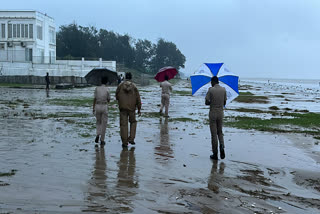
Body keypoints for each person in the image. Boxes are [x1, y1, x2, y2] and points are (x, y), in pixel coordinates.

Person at [116, 72, 141, 148]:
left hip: (123, 108)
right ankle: (131, 138)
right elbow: (138, 98)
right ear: (131, 77)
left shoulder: (120, 85)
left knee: (123, 125)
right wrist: (139, 108)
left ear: (125, 77)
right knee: (133, 122)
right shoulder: (134, 86)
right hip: (132, 108)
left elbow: (116, 96)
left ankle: (124, 142)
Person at [205, 76, 227, 160]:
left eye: (211, 82)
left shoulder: (211, 90)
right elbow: (224, 102)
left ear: (213, 82)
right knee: (220, 132)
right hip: (221, 113)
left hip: (213, 113)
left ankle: (215, 153)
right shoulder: (224, 89)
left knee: (214, 134)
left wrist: (211, 101)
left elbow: (206, 102)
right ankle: (222, 145)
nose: (211, 83)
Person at [93, 76, 111, 146]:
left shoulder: (97, 88)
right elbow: (109, 99)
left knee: (98, 122)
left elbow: (94, 99)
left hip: (97, 106)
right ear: (106, 82)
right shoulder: (107, 89)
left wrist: (93, 108)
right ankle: (102, 139)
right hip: (104, 106)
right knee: (104, 123)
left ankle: (98, 134)